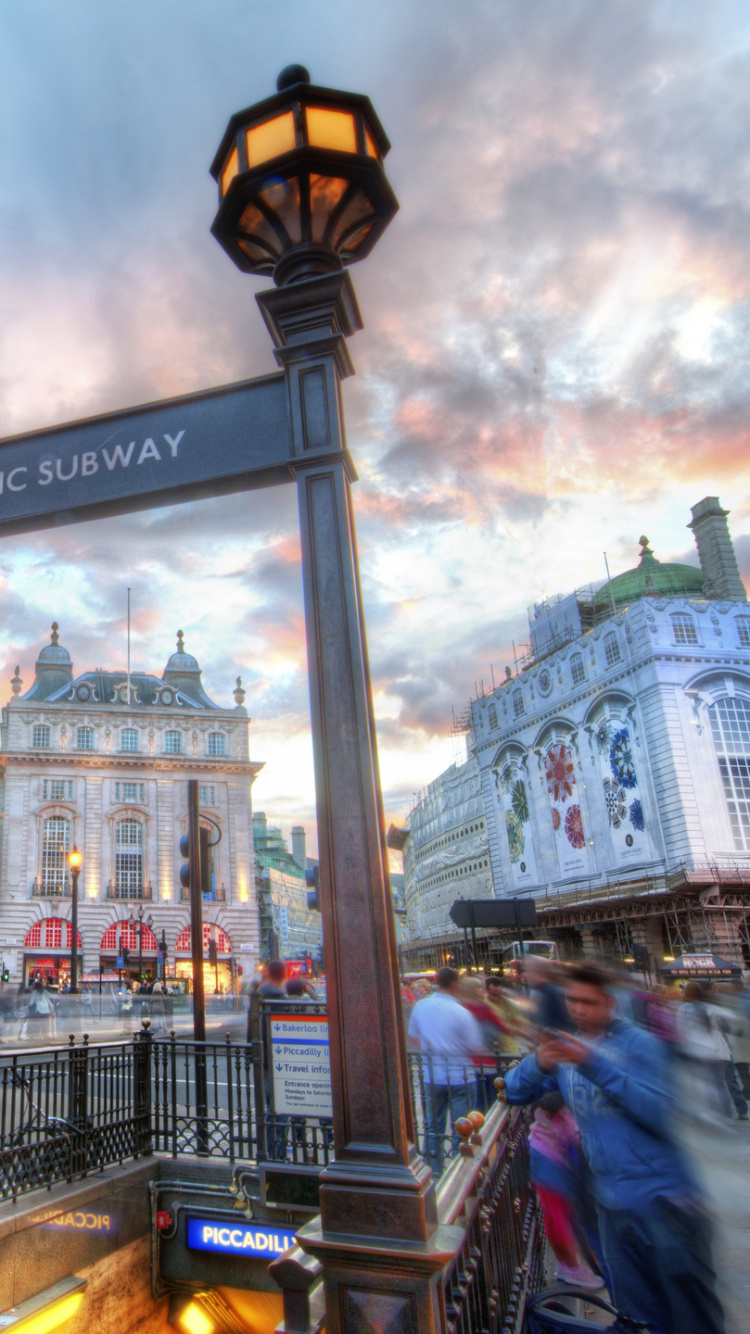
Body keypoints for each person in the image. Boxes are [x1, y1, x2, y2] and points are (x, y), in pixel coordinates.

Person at [502, 961, 725, 1334]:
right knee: (636, 1314)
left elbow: (660, 1112)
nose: (578, 1009)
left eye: (589, 1002)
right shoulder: (569, 1051)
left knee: (691, 1314)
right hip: (611, 1203)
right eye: (573, 1000)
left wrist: (594, 1065)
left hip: (665, 1202)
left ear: (609, 1004)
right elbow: (512, 1090)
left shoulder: (642, 1045)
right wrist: (537, 1063)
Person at [408, 965, 484, 1173]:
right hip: (460, 1077)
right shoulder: (461, 1012)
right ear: (454, 984)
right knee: (462, 1129)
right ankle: (462, 1174)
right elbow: (475, 1046)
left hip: (432, 1076)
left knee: (433, 1128)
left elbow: (414, 1037)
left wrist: (431, 1047)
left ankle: (434, 1172)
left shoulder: (421, 1006)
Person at [676, 981, 748, 1122]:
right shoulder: (710, 1008)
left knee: (706, 1085)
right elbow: (734, 1018)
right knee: (724, 1083)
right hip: (717, 1051)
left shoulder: (683, 1009)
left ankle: (716, 1113)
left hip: (696, 1052)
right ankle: (728, 1113)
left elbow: (680, 1031)